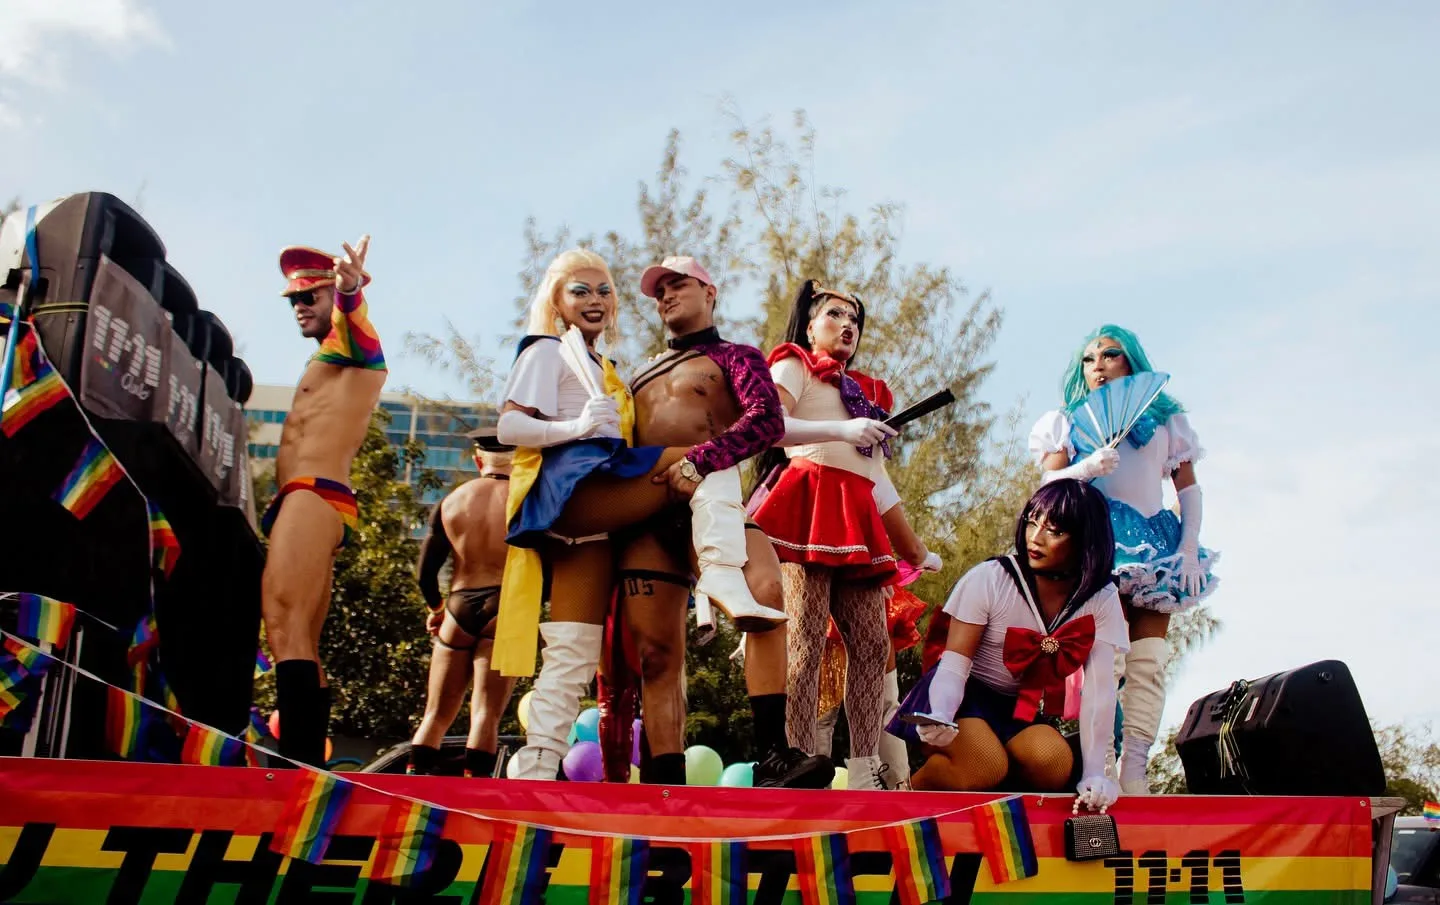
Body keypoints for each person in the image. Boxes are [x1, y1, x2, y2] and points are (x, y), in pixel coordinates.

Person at [493, 249, 786, 780]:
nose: (595, 300)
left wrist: (842, 431)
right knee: (696, 452)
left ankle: (538, 764)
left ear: (710, 292)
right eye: (580, 290)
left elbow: (772, 422)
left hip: (622, 516)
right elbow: (511, 427)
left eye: (604, 290)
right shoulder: (549, 352)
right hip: (591, 495)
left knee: (573, 648)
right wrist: (576, 428)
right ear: (556, 301)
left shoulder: (612, 370)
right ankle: (719, 578)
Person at [597, 256, 831, 788]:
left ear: (710, 291)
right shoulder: (632, 375)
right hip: (646, 517)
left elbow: (767, 420)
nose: (667, 296)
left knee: (767, 588)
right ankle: (664, 783)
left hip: (715, 506)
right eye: (659, 292)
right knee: (656, 656)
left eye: (679, 285)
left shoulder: (735, 357)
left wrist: (700, 459)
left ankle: (773, 754)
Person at [751, 280, 941, 790]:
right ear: (811, 325)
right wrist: (843, 431)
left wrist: (916, 549)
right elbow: (769, 428)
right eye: (835, 314)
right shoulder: (794, 365)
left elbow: (877, 480)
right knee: (805, 639)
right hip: (807, 503)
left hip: (855, 515)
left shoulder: (867, 395)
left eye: (855, 319)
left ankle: (863, 767)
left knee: (873, 642)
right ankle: (799, 758)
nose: (847, 325)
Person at [1030, 325, 1218, 794]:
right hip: (1096, 542)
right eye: (1089, 359)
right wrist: (1085, 469)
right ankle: (1101, 767)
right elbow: (1044, 490)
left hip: (1154, 542)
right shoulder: (1067, 421)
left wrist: (1189, 545)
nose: (1098, 365)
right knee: (1104, 663)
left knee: (1149, 662)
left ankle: (1137, 771)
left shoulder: (1168, 422)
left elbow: (1188, 488)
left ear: (1130, 361)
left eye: (1109, 355)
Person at [897, 479, 1126, 812]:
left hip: (1016, 706)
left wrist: (1095, 773)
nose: (1035, 537)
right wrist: (941, 715)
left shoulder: (1101, 598)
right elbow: (954, 664)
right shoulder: (991, 577)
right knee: (985, 765)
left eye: (1054, 531)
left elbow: (1100, 692)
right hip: (961, 695)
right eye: (1032, 522)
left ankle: (993, 803)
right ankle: (905, 790)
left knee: (1054, 765)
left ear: (1085, 540)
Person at [259, 238, 385, 767]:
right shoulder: (328, 361)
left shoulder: (353, 346)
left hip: (313, 495)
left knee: (283, 622)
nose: (300, 306)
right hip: (311, 500)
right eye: (293, 299)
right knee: (300, 635)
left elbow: (356, 320)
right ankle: (304, 764)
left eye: (312, 294)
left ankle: (295, 765)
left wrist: (352, 289)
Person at [407, 427, 518, 778]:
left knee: (434, 716)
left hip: (458, 605)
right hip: (507, 608)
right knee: (486, 715)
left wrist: (437, 610)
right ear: (520, 460)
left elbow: (425, 574)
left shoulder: (453, 500)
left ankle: (411, 790)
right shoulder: (527, 500)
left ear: (478, 460)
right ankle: (473, 797)